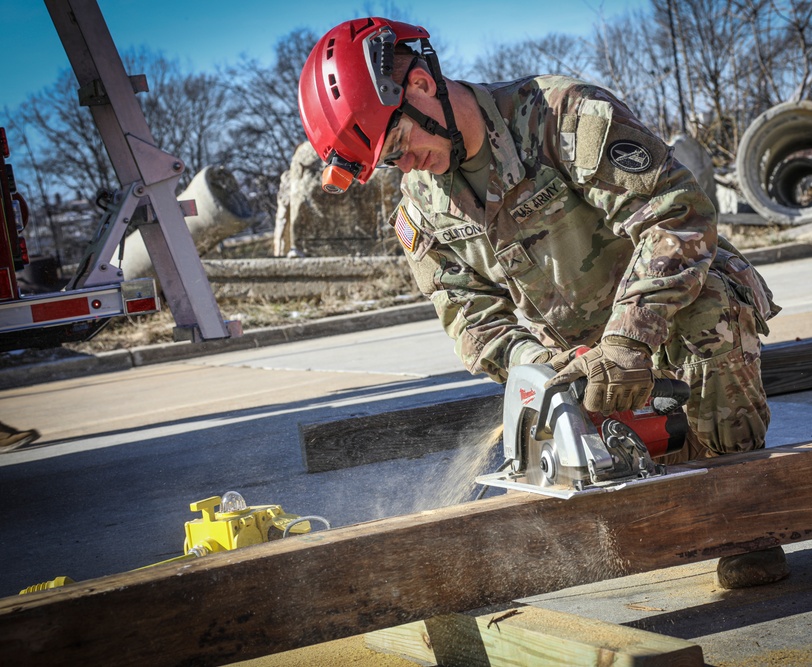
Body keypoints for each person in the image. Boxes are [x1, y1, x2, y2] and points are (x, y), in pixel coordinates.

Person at [298, 17, 784, 588]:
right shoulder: (420, 209)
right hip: (577, 352)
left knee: (712, 317)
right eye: (389, 160)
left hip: (669, 314)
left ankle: (745, 518)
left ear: (423, 87)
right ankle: (662, 479)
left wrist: (628, 340)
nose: (405, 165)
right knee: (610, 466)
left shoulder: (562, 116)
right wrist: (541, 369)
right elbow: (471, 320)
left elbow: (677, 220)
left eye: (401, 143)